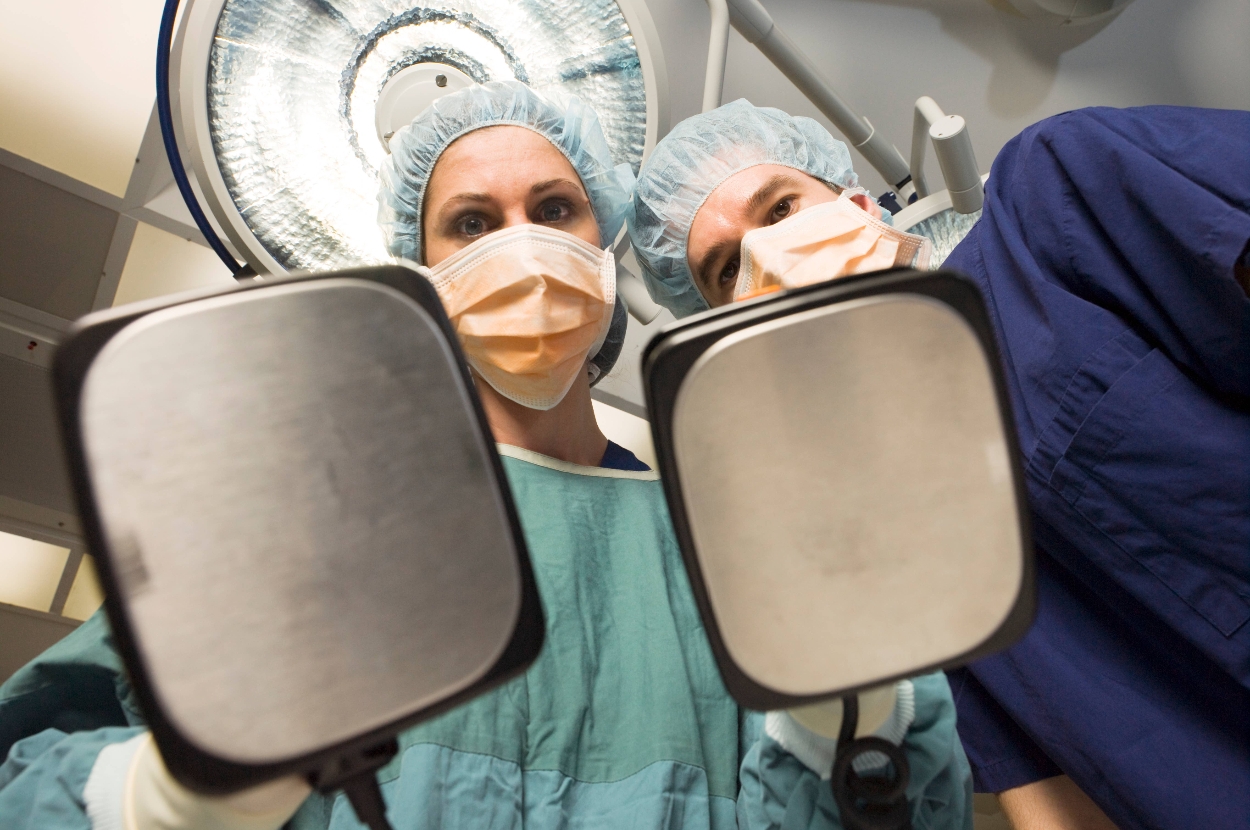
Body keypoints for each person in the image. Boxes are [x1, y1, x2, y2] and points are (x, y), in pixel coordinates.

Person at [0, 82, 970, 830]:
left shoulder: (731, 544)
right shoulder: (310, 527)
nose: (522, 247)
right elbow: (27, 769)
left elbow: (889, 804)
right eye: (472, 222)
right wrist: (173, 796)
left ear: (606, 251)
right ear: (421, 276)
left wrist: (846, 719)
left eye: (554, 210)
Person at [629, 100, 1250, 830]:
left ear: (858, 205)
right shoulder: (884, 572)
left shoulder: (1053, 196)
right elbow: (1050, 802)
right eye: (728, 267)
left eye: (781, 207)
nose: (765, 255)